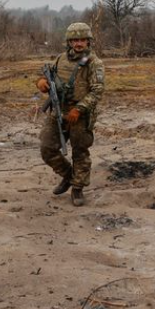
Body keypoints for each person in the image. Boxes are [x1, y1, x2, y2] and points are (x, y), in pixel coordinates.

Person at [36, 22, 105, 207]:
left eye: (82, 39)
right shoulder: (60, 59)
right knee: (47, 147)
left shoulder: (94, 63)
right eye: (75, 40)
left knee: (80, 152)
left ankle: (77, 189)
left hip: (81, 114)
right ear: (69, 41)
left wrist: (79, 109)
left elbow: (97, 90)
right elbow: (47, 74)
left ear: (88, 41)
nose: (79, 43)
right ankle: (68, 175)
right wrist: (41, 83)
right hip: (59, 109)